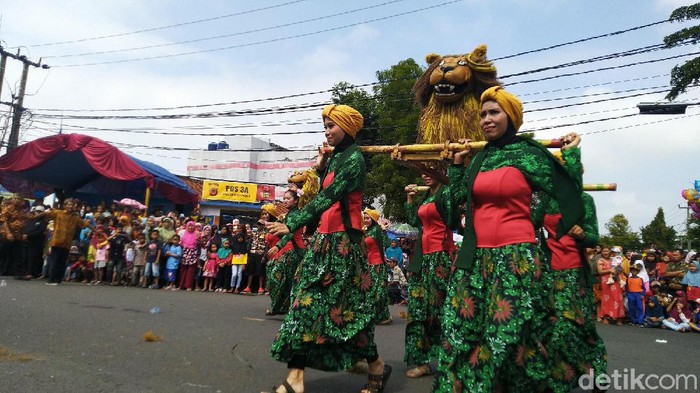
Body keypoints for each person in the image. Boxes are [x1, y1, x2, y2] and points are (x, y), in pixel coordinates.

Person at [433, 86, 585, 392]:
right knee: (461, 329)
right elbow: (452, 202)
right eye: (483, 114)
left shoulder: (529, 154)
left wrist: (571, 154)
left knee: (509, 335)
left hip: (516, 258)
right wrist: (458, 165)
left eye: (494, 112)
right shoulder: (479, 159)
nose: (487, 120)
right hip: (475, 260)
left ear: (511, 116)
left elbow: (567, 189)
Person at [266, 104, 390, 393]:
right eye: (325, 127)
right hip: (323, 240)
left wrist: (294, 221)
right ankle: (295, 378)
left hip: (343, 244)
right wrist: (322, 167)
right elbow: (324, 193)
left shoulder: (354, 160)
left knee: (344, 312)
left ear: (347, 126)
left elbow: (329, 197)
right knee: (303, 303)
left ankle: (376, 365)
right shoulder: (336, 159)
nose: (327, 132)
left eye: (331, 126)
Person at [530, 133, 607, 392]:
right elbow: (528, 224)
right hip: (550, 273)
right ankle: (562, 377)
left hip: (575, 274)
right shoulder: (545, 203)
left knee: (580, 326)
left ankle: (595, 372)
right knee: (553, 327)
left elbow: (594, 237)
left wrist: (583, 235)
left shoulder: (583, 201)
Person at [403, 167, 457, 379]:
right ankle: (422, 362)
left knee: (443, 311)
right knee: (417, 312)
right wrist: (410, 199)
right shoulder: (426, 196)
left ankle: (450, 359)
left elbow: (453, 221)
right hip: (422, 258)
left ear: (442, 172)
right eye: (423, 169)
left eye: (431, 169)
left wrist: (451, 186)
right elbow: (415, 222)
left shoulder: (446, 193)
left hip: (441, 257)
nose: (425, 173)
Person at [265, 191, 305, 316]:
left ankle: (280, 307)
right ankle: (283, 307)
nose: (285, 200)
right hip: (290, 249)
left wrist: (278, 246)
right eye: (284, 198)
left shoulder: (296, 214)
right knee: (286, 280)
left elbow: (291, 233)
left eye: (288, 198)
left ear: (296, 200)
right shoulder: (289, 214)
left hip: (294, 250)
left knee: (278, 277)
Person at [43, 198, 89, 285]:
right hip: (57, 241)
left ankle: (58, 279)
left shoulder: (75, 217)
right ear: (64, 206)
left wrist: (91, 226)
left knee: (62, 261)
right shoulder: (58, 213)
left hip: (67, 242)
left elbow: (83, 225)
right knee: (54, 260)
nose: (70, 206)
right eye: (68, 205)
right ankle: (51, 279)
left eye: (71, 205)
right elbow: (47, 215)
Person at [363, 208, 392, 326]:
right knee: (369, 292)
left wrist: (383, 232)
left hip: (378, 265)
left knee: (379, 292)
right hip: (368, 266)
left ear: (373, 219)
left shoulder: (376, 230)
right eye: (364, 218)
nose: (365, 220)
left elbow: (386, 244)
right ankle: (375, 315)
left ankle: (383, 316)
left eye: (368, 218)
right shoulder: (367, 231)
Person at [597, 246, 626, 325]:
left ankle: (619, 318)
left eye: (607, 251)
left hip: (616, 279)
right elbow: (600, 271)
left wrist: (618, 269)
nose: (605, 253)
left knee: (618, 297)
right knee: (606, 298)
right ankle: (605, 317)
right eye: (604, 251)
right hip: (606, 280)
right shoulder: (600, 260)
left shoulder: (615, 259)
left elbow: (621, 269)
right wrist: (610, 270)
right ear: (601, 253)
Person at [178, 221, 200, 291]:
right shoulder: (183, 234)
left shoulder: (196, 235)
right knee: (182, 270)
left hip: (193, 254)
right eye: (189, 226)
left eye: (192, 226)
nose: (190, 227)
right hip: (184, 253)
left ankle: (189, 286)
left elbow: (198, 245)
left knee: (191, 271)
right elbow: (181, 244)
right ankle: (181, 285)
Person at [229, 224, 248, 293]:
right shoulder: (234, 245)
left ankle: (237, 288)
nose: (240, 239)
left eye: (241, 238)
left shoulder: (244, 245)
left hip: (241, 261)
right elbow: (232, 253)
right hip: (234, 261)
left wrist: (244, 264)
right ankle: (232, 286)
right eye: (238, 237)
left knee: (239, 274)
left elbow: (245, 254)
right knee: (234, 274)